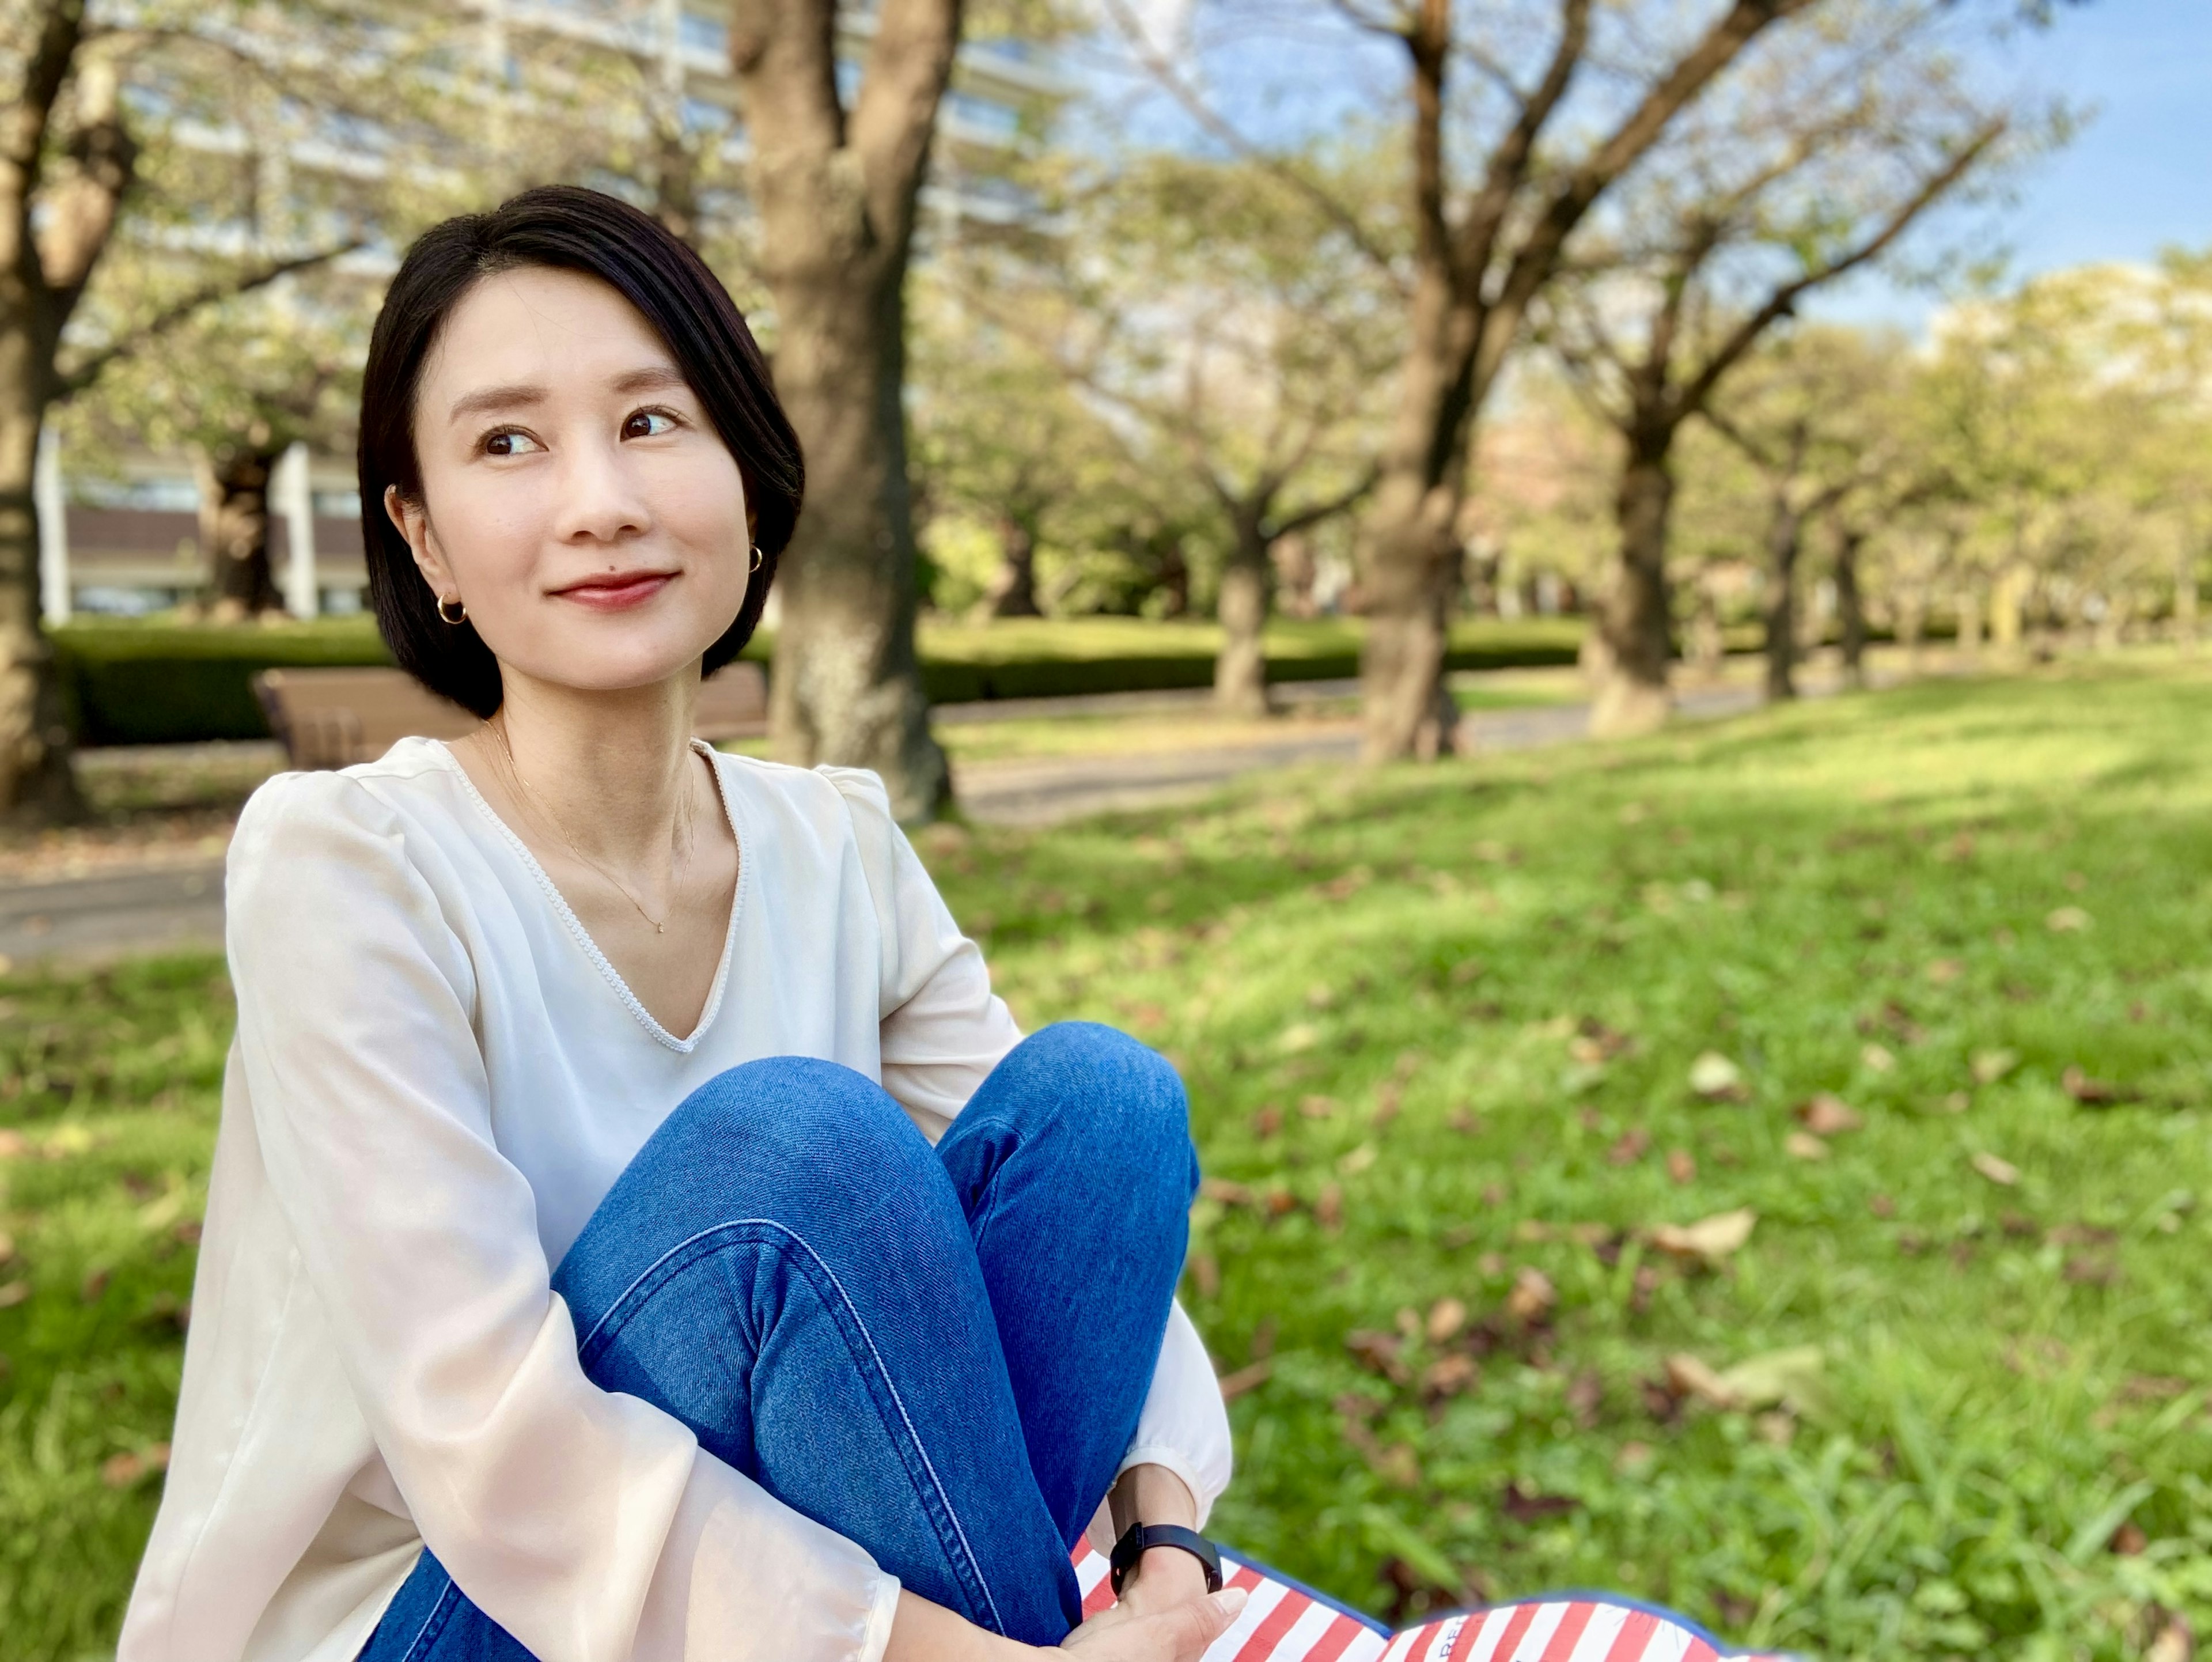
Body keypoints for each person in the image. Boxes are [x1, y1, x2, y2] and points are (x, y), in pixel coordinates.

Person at [120, 187, 1244, 1662]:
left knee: (1103, 1105)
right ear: (426, 538)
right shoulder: (347, 866)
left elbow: (1080, 1228)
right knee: (799, 1158)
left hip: (760, 1571)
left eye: (653, 422)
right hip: (434, 1601)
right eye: (507, 443)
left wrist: (1161, 1530)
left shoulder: (835, 840)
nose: (601, 501)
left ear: (746, 474)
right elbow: (496, 1451)